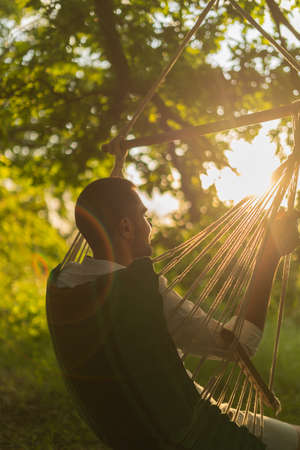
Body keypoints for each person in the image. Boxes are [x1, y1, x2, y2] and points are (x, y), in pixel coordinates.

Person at [46, 177, 300, 450]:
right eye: (144, 216)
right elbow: (240, 342)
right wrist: (271, 253)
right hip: (187, 433)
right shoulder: (139, 294)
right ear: (126, 227)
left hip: (127, 431)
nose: (150, 226)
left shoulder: (63, 285)